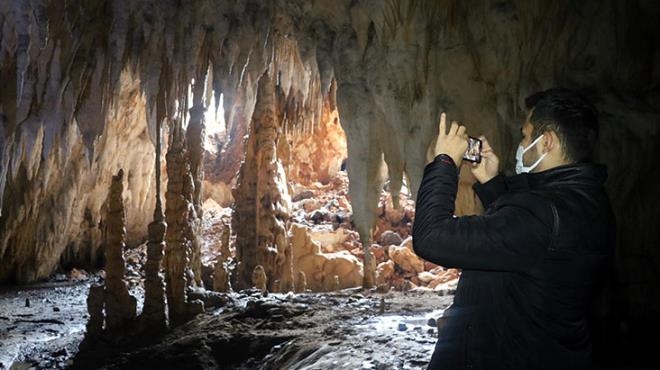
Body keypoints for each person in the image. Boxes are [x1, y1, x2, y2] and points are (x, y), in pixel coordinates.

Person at [412, 88, 615, 370]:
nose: (521, 143)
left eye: (525, 135)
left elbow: (430, 237)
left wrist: (445, 162)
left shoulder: (544, 214)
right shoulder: (586, 200)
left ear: (547, 142)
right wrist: (492, 184)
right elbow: (526, 250)